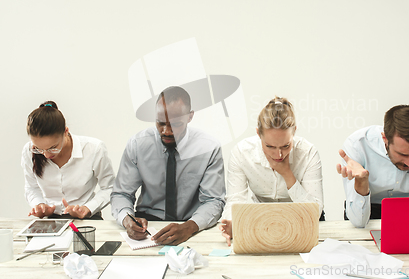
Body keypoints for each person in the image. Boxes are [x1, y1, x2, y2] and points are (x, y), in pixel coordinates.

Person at [111, 86, 225, 246]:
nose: (166, 131)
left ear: (190, 117)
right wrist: (127, 219)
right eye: (160, 123)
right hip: (147, 226)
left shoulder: (209, 148)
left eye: (175, 124)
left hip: (191, 225)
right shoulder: (137, 145)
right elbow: (121, 194)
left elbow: (214, 200)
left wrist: (188, 228)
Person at [219, 97, 324, 246]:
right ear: (258, 133)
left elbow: (315, 211)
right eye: (270, 146)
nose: (278, 155)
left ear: (294, 131)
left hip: (301, 223)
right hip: (260, 222)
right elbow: (235, 200)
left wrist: (287, 174)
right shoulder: (242, 152)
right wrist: (232, 222)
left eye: (286, 146)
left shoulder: (308, 153)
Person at [21, 101, 115, 220]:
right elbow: (31, 187)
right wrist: (39, 205)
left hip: (87, 218)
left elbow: (109, 187)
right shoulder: (29, 151)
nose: (46, 155)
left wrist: (87, 208)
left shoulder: (93, 149)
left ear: (66, 132)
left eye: (52, 147)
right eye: (39, 149)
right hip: (52, 219)